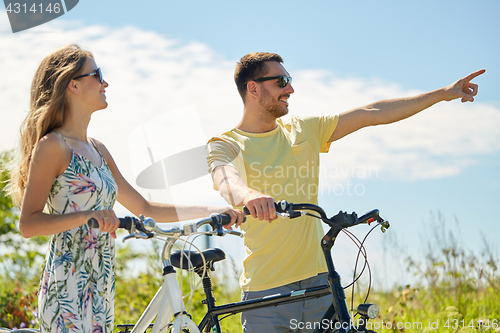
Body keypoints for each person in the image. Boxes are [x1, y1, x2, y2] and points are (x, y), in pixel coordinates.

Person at [205, 52, 485, 332]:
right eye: (282, 81)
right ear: (253, 87)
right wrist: (248, 196)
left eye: (289, 80)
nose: (290, 88)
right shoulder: (226, 143)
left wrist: (443, 93)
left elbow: (371, 114)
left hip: (320, 284)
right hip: (265, 295)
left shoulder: (303, 129)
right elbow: (225, 177)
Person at [8, 44, 245, 333]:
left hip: (102, 278)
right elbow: (29, 223)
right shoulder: (53, 146)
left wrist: (210, 210)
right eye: (97, 74)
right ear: (73, 85)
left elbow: (144, 208)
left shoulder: (98, 149)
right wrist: (86, 217)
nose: (105, 82)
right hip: (68, 282)